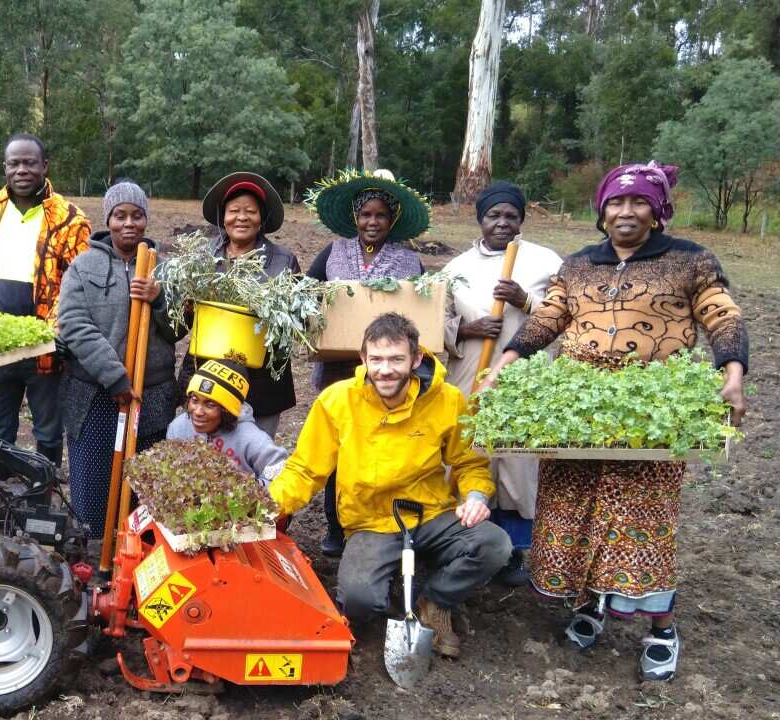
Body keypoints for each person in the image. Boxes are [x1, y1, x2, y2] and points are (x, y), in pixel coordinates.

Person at [481, 162, 748, 682]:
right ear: (601, 212)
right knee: (574, 518)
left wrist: (732, 372)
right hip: (578, 418)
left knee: (639, 527)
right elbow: (545, 321)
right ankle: (590, 608)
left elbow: (723, 314)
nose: (626, 212)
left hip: (646, 419)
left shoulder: (689, 261)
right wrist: (501, 370)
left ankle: (661, 628)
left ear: (657, 210)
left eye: (639, 202)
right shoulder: (580, 265)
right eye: (616, 203)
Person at [269, 313, 511, 658]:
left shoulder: (447, 400)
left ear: (416, 359)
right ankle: (392, 583)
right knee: (359, 602)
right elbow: (306, 469)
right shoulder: (338, 401)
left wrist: (475, 496)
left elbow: (469, 462)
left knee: (493, 544)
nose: (385, 370)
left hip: (430, 513)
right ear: (363, 358)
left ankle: (436, 599)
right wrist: (268, 507)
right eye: (377, 359)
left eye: (397, 359)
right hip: (371, 520)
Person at [442, 180, 562, 585]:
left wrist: (526, 302)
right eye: (494, 215)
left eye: (511, 216)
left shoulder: (546, 263)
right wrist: (466, 329)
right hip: (470, 375)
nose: (502, 223)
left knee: (517, 464)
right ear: (481, 219)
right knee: (472, 456)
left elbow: (571, 318)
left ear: (522, 220)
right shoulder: (455, 268)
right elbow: (433, 322)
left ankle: (513, 553)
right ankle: (466, 540)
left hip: (524, 381)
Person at [305, 168, 429, 557]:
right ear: (355, 218)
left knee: (380, 446)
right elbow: (306, 291)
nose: (372, 222)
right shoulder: (334, 252)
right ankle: (335, 526)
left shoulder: (409, 261)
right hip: (340, 369)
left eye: (380, 215)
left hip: (386, 372)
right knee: (339, 445)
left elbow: (422, 311)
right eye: (365, 215)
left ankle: (375, 524)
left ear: (391, 219)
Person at [57, 181, 179, 536]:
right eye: (120, 215)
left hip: (151, 392)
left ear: (146, 219)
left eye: (137, 215)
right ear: (107, 219)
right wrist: (115, 377)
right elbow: (74, 325)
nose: (129, 223)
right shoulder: (83, 266)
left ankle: (138, 560)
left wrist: (158, 299)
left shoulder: (165, 269)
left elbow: (179, 329)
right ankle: (95, 553)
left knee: (144, 489)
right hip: (95, 393)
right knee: (94, 482)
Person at [0, 133, 91, 475]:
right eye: (14, 163)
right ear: (5, 167)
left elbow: (77, 282)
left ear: (44, 167)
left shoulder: (70, 219)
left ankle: (44, 494)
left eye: (29, 162)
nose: (22, 170)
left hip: (46, 348)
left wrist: (54, 333)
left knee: (48, 430)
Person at [179, 172, 300, 439]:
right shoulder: (202, 258)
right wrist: (187, 307)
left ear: (262, 219)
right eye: (234, 211)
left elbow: (295, 324)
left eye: (251, 211)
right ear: (224, 216)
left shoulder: (283, 260)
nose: (242, 217)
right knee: (204, 461)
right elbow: (181, 322)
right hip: (206, 376)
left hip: (261, 385)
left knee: (251, 460)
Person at [166, 360, 289, 485]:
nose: (197, 412)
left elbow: (282, 478)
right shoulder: (178, 428)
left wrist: (245, 494)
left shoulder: (253, 440)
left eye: (210, 405)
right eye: (194, 400)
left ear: (227, 410)